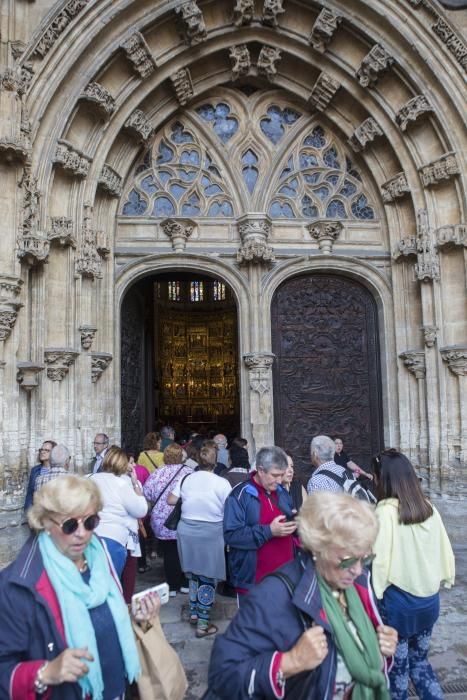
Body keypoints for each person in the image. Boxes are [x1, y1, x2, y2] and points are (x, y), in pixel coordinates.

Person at [207, 492, 397, 699]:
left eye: (365, 559)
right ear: (318, 548)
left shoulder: (357, 583)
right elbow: (222, 677)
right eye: (348, 560)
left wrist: (378, 648)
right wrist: (290, 662)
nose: (358, 570)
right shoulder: (273, 596)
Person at [0, 475, 159, 700]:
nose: (82, 533)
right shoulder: (18, 584)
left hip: (118, 689)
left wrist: (135, 617)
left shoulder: (100, 553)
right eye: (70, 524)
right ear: (45, 523)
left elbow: (106, 619)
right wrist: (45, 672)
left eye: (90, 522)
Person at [371, 449, 455, 700]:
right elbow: (444, 549)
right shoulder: (427, 507)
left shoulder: (385, 512)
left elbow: (379, 559)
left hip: (399, 606)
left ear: (383, 479)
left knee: (397, 668)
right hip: (429, 601)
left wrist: (373, 595)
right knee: (420, 663)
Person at [168, 444, 231, 637]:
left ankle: (195, 613)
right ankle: (203, 624)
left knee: (194, 573)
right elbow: (230, 507)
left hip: (186, 530)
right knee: (208, 576)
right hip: (210, 532)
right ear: (215, 461)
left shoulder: (187, 478)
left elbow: (171, 500)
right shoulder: (221, 483)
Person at [223, 446, 297, 599]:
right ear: (260, 470)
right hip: (253, 582)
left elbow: (289, 525)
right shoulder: (240, 495)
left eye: (281, 475)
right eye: (275, 475)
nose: (279, 480)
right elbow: (232, 535)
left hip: (285, 579)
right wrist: (269, 531)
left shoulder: (282, 492)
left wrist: (297, 523)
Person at [143, 443, 193, 596]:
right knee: (186, 551)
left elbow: (147, 494)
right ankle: (185, 583)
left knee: (169, 552)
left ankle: (171, 586)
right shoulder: (189, 472)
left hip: (162, 520)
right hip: (184, 516)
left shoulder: (158, 473)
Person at [91, 446, 148, 577]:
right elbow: (140, 510)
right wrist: (135, 485)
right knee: (111, 582)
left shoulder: (91, 478)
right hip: (113, 536)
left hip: (91, 535)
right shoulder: (123, 483)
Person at [307, 435, 374, 503]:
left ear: (315, 455)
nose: (339, 446)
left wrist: (365, 473)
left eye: (340, 443)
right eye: (336, 443)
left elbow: (316, 510)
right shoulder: (342, 469)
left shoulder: (315, 481)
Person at [23, 439, 57, 511]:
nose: (42, 452)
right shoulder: (35, 470)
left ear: (54, 453)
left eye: (47, 450)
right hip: (37, 510)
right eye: (41, 450)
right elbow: (30, 493)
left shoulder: (58, 470)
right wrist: (28, 512)